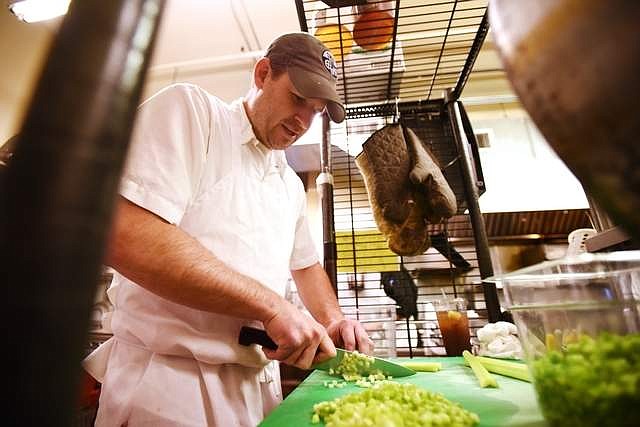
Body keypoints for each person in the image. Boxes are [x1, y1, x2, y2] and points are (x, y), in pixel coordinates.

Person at [83, 32, 374, 426]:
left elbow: (305, 266)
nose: (303, 121)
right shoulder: (193, 114)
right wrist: (272, 306)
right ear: (263, 73)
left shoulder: (287, 183)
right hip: (171, 389)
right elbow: (127, 234)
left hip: (259, 389)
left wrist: (333, 319)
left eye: (317, 110)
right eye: (298, 99)